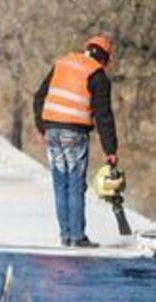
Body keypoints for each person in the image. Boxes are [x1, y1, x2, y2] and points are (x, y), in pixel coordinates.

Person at [31, 34, 119, 247]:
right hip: (74, 134)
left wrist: (42, 127)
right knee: (75, 183)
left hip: (52, 130)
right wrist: (111, 150)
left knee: (60, 183)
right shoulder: (97, 76)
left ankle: (66, 234)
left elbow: (39, 96)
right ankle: (77, 236)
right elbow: (103, 115)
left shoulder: (63, 64)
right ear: (105, 58)